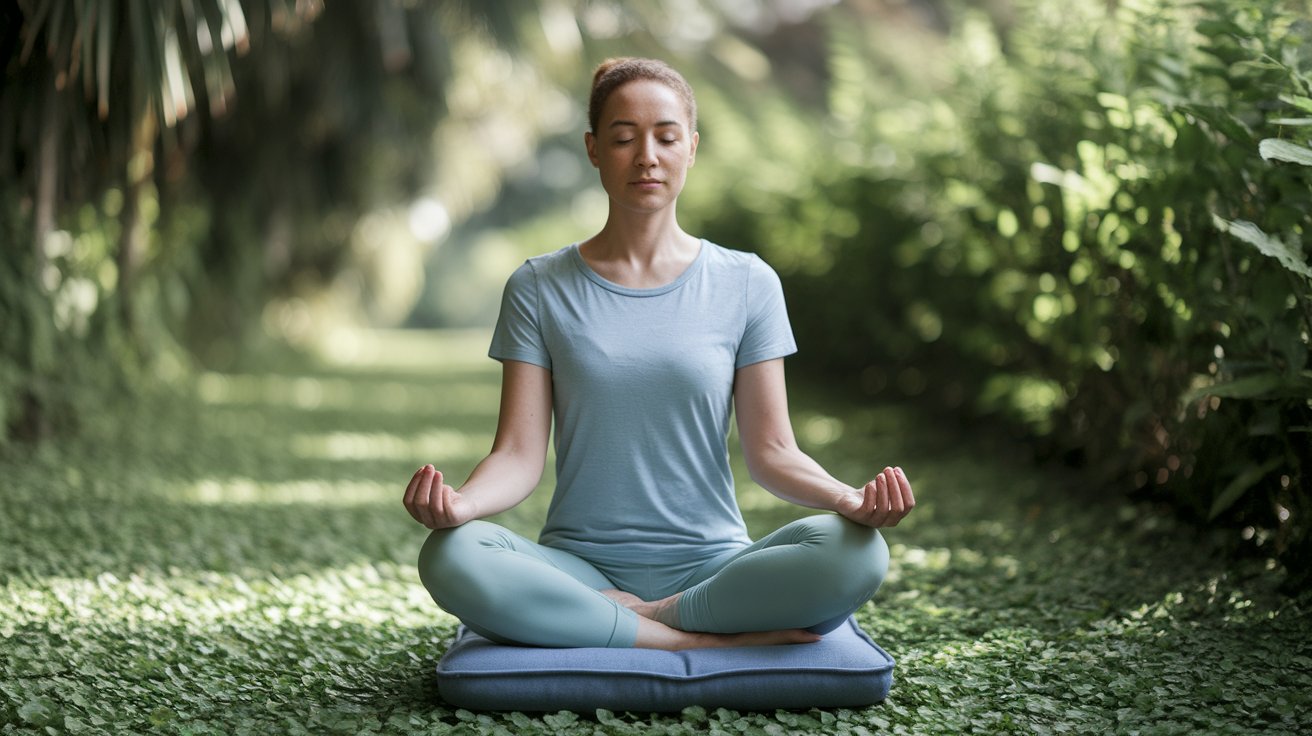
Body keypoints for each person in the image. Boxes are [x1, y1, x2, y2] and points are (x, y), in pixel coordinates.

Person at [404, 57, 915, 651]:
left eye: (666, 137)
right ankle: (692, 641)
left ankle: (651, 616)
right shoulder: (538, 287)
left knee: (856, 551)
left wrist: (849, 499)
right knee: (453, 553)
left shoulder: (747, 282)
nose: (646, 155)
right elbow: (518, 455)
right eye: (623, 138)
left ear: (691, 148)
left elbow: (773, 452)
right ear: (594, 150)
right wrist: (460, 504)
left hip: (714, 567)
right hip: (582, 570)